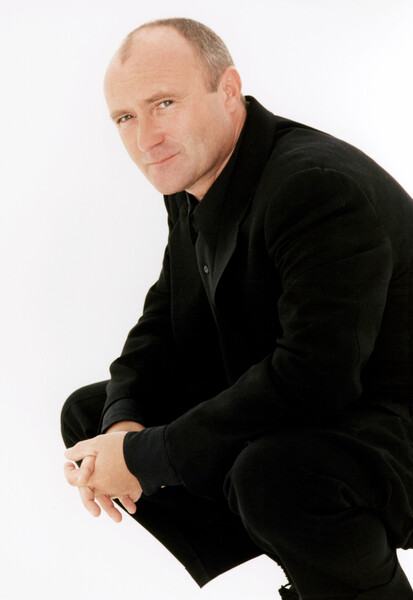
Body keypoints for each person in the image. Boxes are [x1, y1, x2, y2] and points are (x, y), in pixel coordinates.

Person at [61, 17, 413, 599]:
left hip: (389, 420)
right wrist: (124, 425)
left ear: (228, 90)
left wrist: (147, 458)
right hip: (321, 410)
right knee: (90, 417)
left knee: (272, 474)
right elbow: (163, 318)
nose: (146, 140)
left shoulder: (314, 186)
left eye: (164, 104)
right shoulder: (195, 178)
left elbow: (315, 378)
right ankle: (309, 559)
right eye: (125, 118)